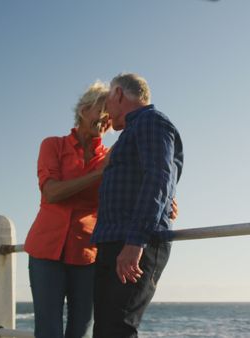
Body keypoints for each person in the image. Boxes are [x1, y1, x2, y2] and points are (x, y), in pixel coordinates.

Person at [24, 81, 178, 338]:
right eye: (101, 110)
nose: (106, 119)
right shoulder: (53, 145)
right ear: (83, 109)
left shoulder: (113, 155)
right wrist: (99, 173)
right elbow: (51, 192)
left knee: (81, 330)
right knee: (48, 330)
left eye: (109, 114)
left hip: (88, 253)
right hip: (45, 250)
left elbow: (148, 179)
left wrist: (168, 198)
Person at [91, 73, 183, 338]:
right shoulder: (132, 131)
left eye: (107, 99)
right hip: (117, 240)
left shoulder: (151, 121)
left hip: (133, 242)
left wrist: (135, 242)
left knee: (117, 329)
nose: (106, 110)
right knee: (106, 330)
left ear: (118, 94)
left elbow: (159, 177)